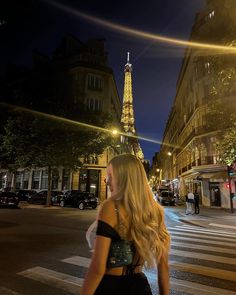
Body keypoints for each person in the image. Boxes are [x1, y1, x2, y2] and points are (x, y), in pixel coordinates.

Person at [81, 154, 170, 295]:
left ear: (123, 177)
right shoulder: (155, 211)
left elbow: (98, 268)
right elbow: (163, 265)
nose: (106, 181)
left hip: (111, 286)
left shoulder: (111, 207)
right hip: (140, 287)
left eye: (110, 175)